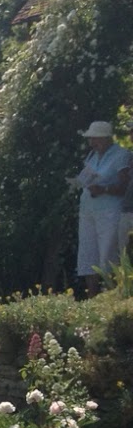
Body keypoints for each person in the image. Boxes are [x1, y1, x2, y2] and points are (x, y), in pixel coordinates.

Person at [75, 120, 131, 296]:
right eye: (91, 138)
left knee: (108, 256)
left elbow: (125, 186)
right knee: (88, 255)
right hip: (88, 210)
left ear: (107, 138)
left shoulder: (121, 155)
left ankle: (111, 298)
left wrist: (104, 189)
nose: (92, 142)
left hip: (109, 212)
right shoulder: (92, 156)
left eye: (96, 138)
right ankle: (92, 299)